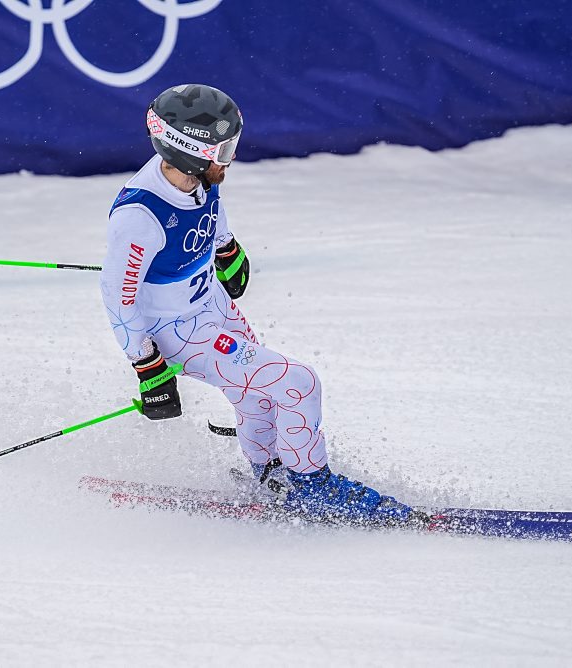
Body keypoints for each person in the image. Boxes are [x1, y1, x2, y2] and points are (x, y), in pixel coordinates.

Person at [100, 83, 420, 526]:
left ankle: (269, 474)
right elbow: (117, 296)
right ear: (188, 151)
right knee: (297, 383)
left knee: (255, 395)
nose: (230, 159)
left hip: (211, 303)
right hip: (178, 331)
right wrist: (147, 365)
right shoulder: (140, 217)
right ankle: (314, 488)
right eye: (223, 150)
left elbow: (210, 209)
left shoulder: (198, 177)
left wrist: (225, 247)